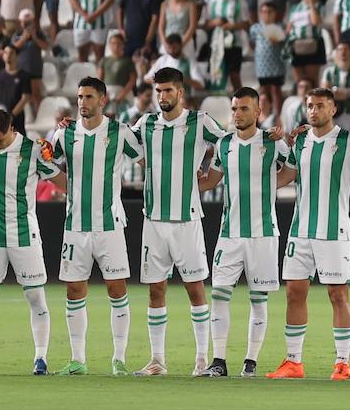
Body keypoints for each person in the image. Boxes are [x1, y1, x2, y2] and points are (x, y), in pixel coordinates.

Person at [268, 88, 350, 381]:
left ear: (334, 109)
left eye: (320, 106)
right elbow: (286, 175)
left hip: (333, 231)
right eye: (310, 106)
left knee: (337, 294)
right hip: (300, 230)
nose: (314, 111)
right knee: (294, 292)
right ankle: (293, 362)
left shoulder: (349, 141)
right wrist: (252, 179)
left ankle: (342, 362)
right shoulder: (300, 141)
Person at [127, 67, 226, 377]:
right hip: (153, 221)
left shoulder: (199, 122)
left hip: (187, 220)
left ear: (180, 92)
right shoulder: (146, 124)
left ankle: (200, 360)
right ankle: (157, 360)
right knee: (156, 291)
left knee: (195, 289)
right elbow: (119, 141)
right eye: (158, 91)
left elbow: (229, 145)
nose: (162, 96)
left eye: (168, 90)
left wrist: (210, 176)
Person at [47, 77, 144, 377]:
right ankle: (78, 359)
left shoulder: (120, 132)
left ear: (102, 100)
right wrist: (72, 190)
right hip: (75, 225)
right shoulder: (64, 135)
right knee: (74, 290)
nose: (82, 102)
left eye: (89, 96)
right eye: (79, 97)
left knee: (117, 289)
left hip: (109, 224)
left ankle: (119, 358)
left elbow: (147, 161)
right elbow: (48, 166)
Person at [196, 87, 295, 378]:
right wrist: (189, 182)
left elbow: (291, 171)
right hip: (230, 233)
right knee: (219, 294)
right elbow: (211, 180)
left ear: (258, 112)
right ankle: (219, 361)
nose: (238, 114)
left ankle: (250, 361)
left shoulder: (273, 142)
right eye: (235, 109)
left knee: (258, 299)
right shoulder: (225, 144)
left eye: (244, 109)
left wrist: (267, 187)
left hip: (264, 232)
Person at [0, 108, 61, 376]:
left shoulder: (33, 150)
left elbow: (62, 180)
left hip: (24, 234)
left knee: (35, 296)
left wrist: (56, 158)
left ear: (12, 129)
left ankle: (41, 358)